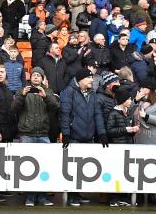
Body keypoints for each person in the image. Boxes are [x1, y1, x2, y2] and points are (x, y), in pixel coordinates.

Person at [12, 67, 59, 206]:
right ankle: (30, 197)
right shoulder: (22, 91)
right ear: (30, 78)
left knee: (44, 167)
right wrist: (22, 96)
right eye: (34, 75)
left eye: (39, 75)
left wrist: (46, 97)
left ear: (43, 78)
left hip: (43, 133)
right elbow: (14, 109)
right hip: (27, 134)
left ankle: (42, 196)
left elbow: (56, 107)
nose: (36, 77)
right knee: (28, 168)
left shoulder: (48, 91)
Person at [59, 68, 106, 206]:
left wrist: (101, 133)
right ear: (81, 80)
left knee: (83, 168)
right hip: (74, 136)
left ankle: (77, 193)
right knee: (73, 168)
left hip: (88, 136)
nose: (92, 80)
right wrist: (66, 133)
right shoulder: (69, 92)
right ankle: (72, 195)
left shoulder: (93, 93)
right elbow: (65, 114)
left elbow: (97, 114)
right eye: (89, 78)